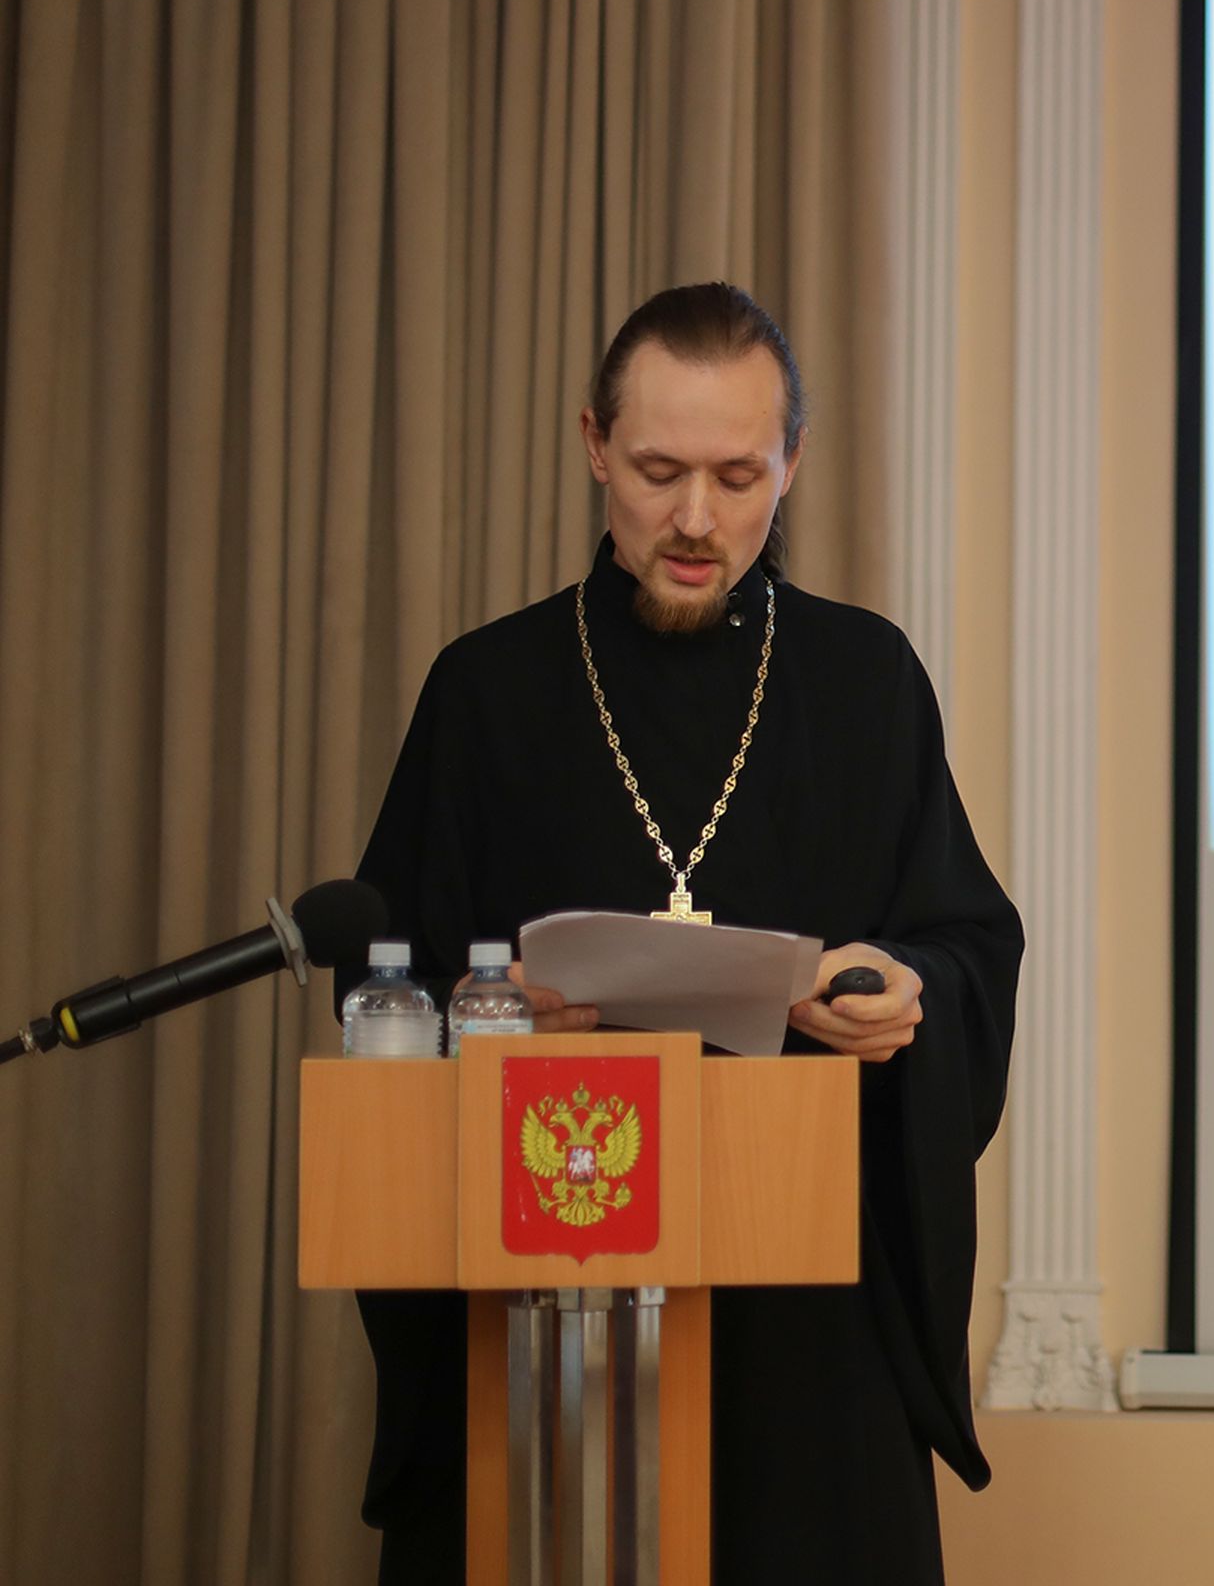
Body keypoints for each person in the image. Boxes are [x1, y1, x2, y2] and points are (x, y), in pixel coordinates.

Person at [349, 283, 1023, 1584]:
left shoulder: (865, 680)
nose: (698, 518)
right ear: (596, 445)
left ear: (793, 463)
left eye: (737, 474)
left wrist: (903, 991)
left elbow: (963, 946)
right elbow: (386, 984)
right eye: (660, 472)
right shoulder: (488, 690)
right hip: (548, 1287)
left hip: (807, 1324)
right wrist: (496, 1015)